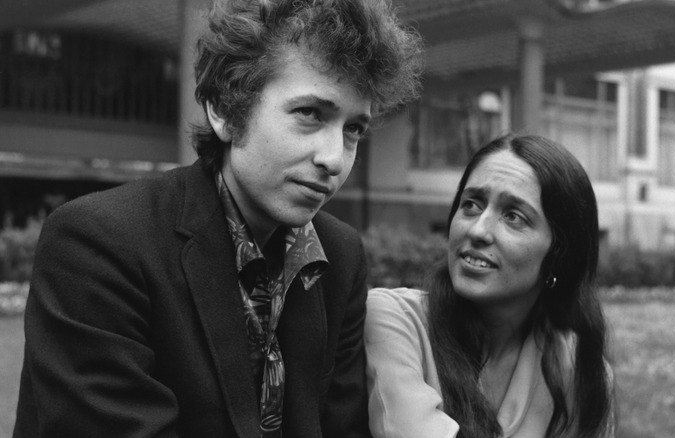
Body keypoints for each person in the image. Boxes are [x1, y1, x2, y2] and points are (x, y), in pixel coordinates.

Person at [14, 0, 422, 436]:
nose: (334, 158)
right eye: (309, 114)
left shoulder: (339, 258)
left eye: (353, 129)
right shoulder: (98, 243)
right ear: (225, 109)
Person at [365, 134, 615, 438]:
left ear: (558, 254)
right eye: (471, 204)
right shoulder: (394, 319)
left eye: (513, 216)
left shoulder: (575, 369)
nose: (478, 229)